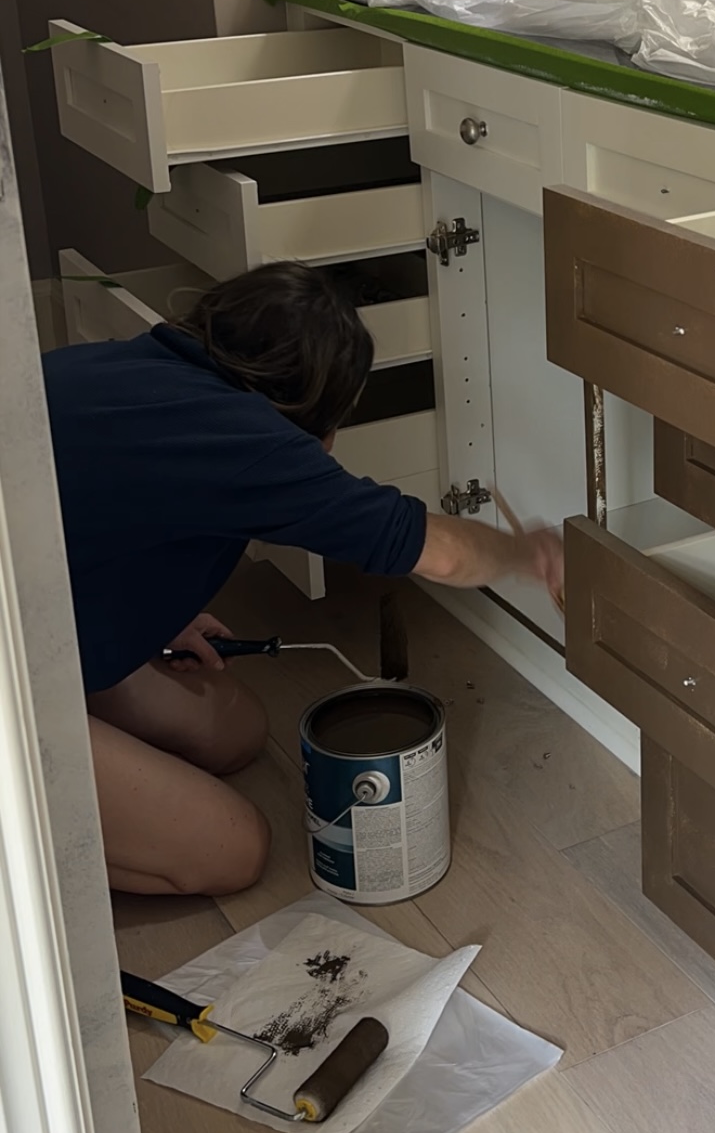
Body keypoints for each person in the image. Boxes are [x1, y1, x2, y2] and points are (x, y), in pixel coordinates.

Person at [41, 261, 564, 899]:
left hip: (31, 625)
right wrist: (529, 554)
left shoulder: (129, 367)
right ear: (315, 411)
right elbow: (444, 555)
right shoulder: (247, 443)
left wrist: (153, 614)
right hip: (17, 683)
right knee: (232, 851)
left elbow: (90, 520)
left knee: (233, 732)